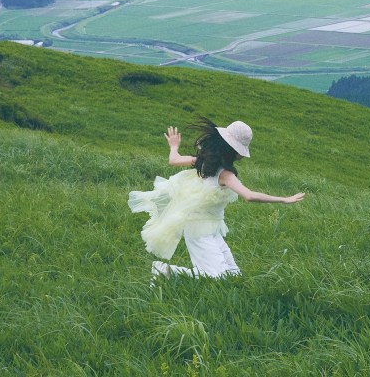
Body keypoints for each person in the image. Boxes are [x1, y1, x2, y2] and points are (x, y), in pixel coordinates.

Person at [127, 116, 304, 278]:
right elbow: (249, 196)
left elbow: (174, 160)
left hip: (210, 228)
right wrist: (284, 199)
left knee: (233, 275)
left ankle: (172, 273)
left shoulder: (204, 161)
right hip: (198, 229)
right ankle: (164, 271)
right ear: (233, 150)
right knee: (216, 278)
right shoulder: (225, 174)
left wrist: (174, 146)